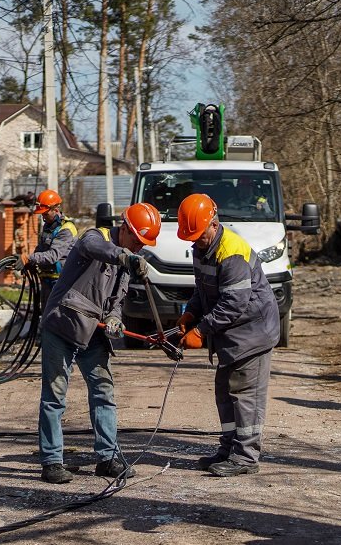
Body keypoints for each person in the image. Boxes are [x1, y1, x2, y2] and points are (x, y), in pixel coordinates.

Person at [36, 202, 162, 484]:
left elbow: (117, 301)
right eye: (138, 241)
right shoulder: (95, 237)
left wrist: (116, 319)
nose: (140, 248)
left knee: (104, 392)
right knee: (55, 397)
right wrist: (124, 256)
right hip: (62, 325)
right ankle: (52, 461)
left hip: (93, 331)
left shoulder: (127, 264)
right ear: (126, 228)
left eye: (144, 245)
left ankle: (107, 458)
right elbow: (97, 249)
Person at [176, 193, 279, 477]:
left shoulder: (231, 251)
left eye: (199, 235)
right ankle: (229, 449)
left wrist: (200, 330)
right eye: (192, 237)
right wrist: (190, 313)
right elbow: (202, 289)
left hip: (253, 331)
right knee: (225, 390)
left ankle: (246, 456)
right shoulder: (202, 247)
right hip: (234, 332)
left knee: (244, 393)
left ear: (213, 223)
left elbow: (234, 303)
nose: (196, 241)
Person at [18, 189, 78, 307]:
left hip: (61, 281)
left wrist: (29, 258)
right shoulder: (48, 226)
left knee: (55, 318)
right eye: (42, 215)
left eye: (46, 214)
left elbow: (52, 256)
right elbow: (41, 248)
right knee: (45, 316)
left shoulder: (66, 229)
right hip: (47, 279)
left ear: (55, 210)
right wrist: (30, 262)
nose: (44, 218)